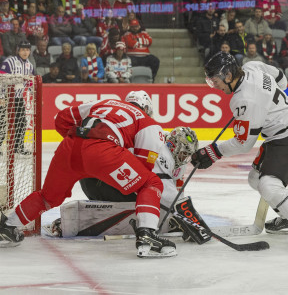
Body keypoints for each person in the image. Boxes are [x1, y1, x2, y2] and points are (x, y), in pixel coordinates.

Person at [0, 90, 177, 258]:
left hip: (69, 147)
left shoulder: (106, 102)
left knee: (48, 197)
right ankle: (147, 233)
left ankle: (7, 226)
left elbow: (61, 119)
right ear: (147, 109)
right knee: (150, 183)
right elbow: (143, 166)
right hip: (104, 153)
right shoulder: (148, 123)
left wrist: (82, 148)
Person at [191, 51, 288, 242]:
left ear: (228, 75)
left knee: (269, 185)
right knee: (255, 178)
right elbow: (281, 79)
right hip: (284, 128)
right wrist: (264, 104)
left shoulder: (244, 99)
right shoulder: (253, 67)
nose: (214, 86)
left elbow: (243, 143)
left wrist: (213, 151)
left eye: (215, 80)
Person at [51, 126, 210, 245]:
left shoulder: (172, 156)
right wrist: (192, 222)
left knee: (148, 196)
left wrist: (179, 215)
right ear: (174, 146)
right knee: (148, 197)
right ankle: (87, 221)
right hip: (98, 182)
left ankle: (89, 218)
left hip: (96, 178)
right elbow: (168, 194)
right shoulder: (163, 152)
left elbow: (176, 193)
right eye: (183, 153)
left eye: (187, 155)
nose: (183, 158)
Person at [0, 40, 35, 155]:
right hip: (5, 97)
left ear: (30, 51)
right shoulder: (9, 62)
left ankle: (18, 147)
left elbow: (30, 83)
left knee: (22, 122)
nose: (25, 52)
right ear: (18, 50)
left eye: (27, 49)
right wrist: (1, 97)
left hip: (18, 98)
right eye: (22, 49)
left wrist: (35, 96)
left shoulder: (29, 65)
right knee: (2, 123)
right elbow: (1, 79)